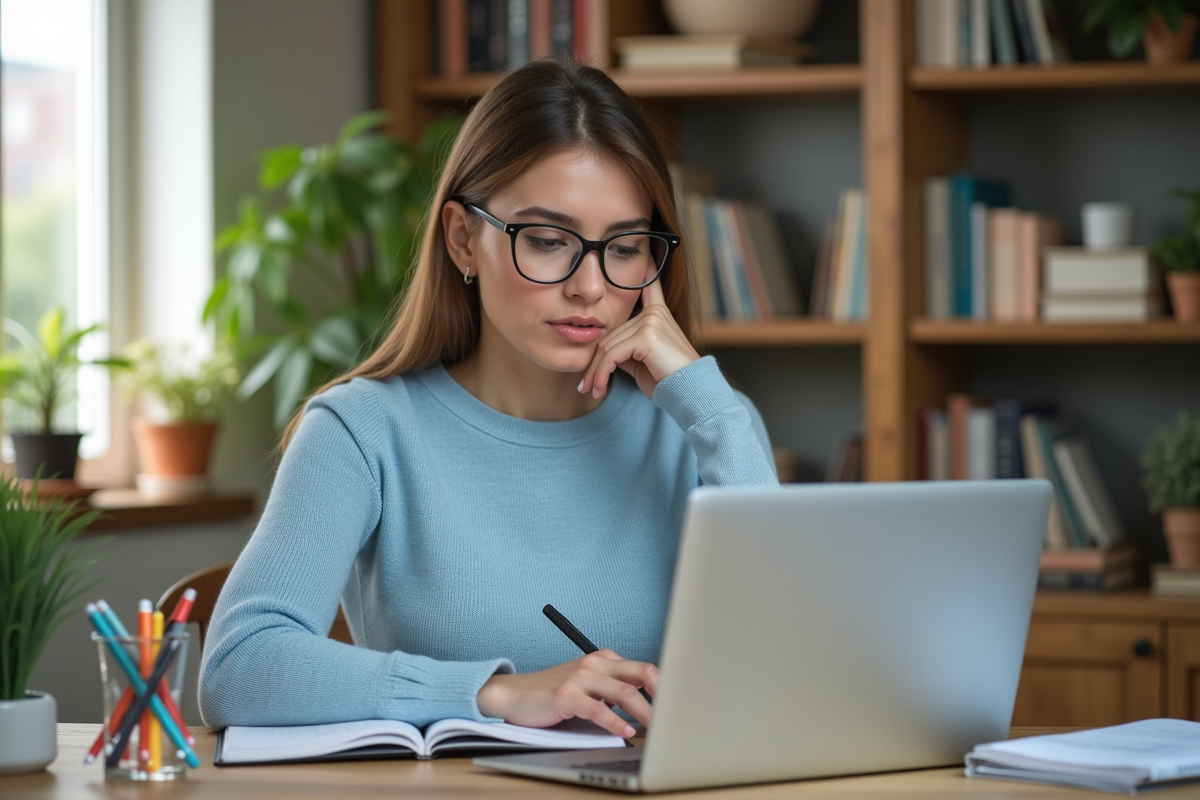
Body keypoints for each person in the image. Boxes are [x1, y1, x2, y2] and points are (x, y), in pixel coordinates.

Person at [198, 59, 778, 740]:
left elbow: (795, 661)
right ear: (462, 239)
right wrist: (493, 693)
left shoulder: (700, 428)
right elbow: (238, 667)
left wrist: (714, 408)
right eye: (548, 240)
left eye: (624, 247)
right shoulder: (363, 431)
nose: (590, 286)